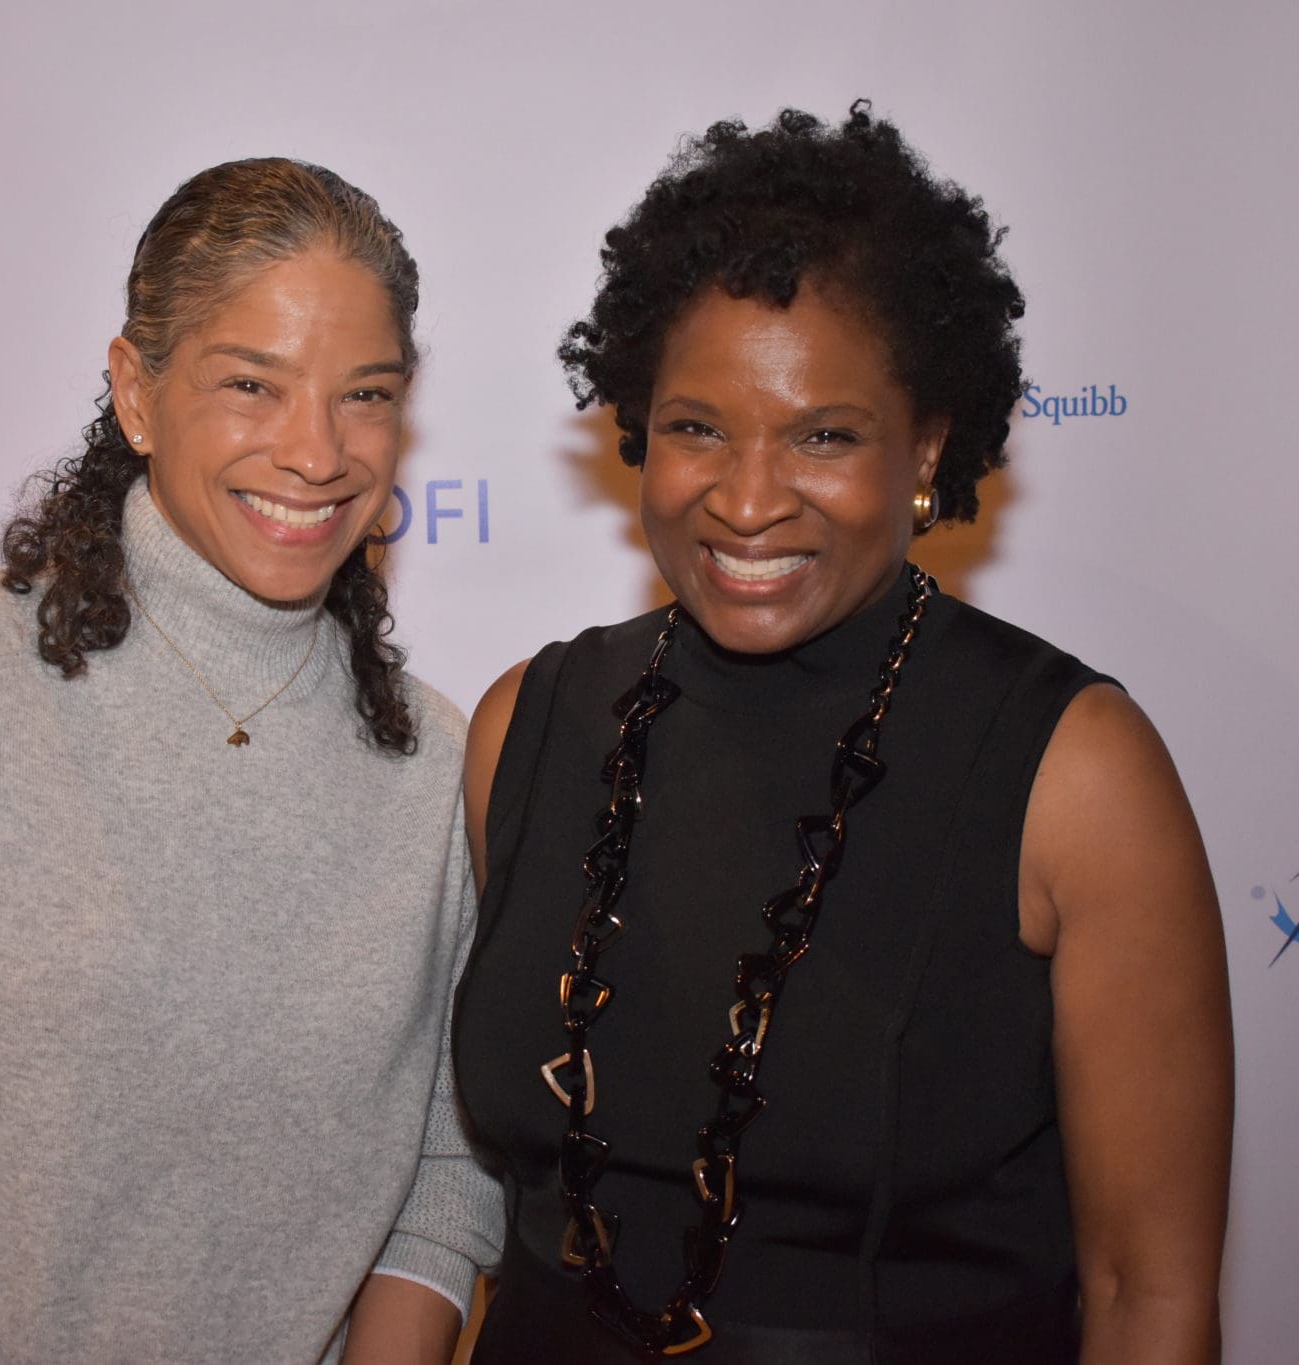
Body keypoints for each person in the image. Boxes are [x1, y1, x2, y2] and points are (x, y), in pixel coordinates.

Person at [453, 105, 1232, 1363]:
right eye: (697, 425)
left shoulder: (1070, 773)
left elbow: (1151, 1294)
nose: (748, 499)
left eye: (823, 434)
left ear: (925, 446)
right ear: (638, 431)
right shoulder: (524, 727)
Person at [0, 158, 500, 1365]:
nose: (315, 451)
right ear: (137, 394)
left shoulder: (433, 759)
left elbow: (451, 1166)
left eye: (365, 395)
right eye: (252, 383)